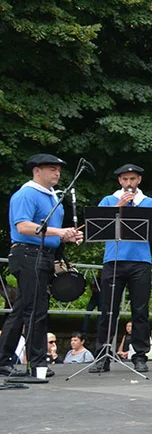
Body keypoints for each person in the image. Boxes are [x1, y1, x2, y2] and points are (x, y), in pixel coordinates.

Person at [0, 154, 83, 379]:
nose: (57, 173)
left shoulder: (52, 197)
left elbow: (49, 233)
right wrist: (59, 232)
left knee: (23, 309)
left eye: (59, 169)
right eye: (52, 169)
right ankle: (37, 365)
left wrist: (66, 237)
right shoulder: (26, 194)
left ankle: (3, 359)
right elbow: (23, 226)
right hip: (28, 254)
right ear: (37, 171)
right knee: (36, 310)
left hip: (41, 255)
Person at [90, 164, 152, 375]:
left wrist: (145, 228)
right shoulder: (109, 200)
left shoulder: (149, 202)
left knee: (140, 310)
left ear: (139, 180)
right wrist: (119, 206)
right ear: (120, 181)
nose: (129, 183)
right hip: (113, 260)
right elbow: (98, 224)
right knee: (108, 309)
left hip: (140, 260)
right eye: (125, 179)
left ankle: (139, 356)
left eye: (132, 179)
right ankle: (103, 355)